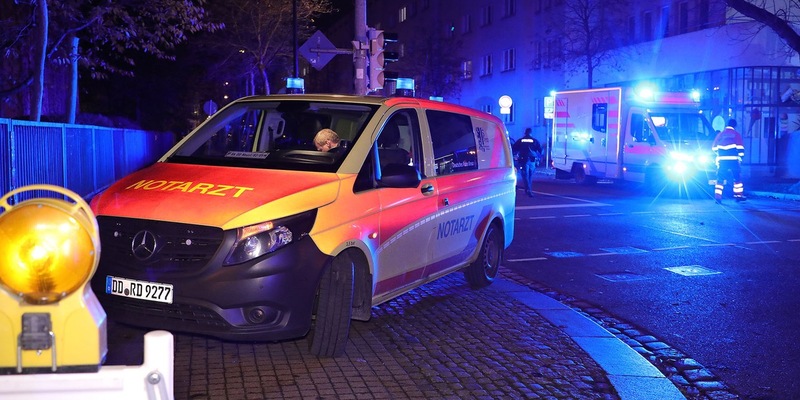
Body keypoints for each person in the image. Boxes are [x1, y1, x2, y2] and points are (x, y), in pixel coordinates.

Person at [711, 119, 746, 203]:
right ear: (735, 125)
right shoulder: (736, 134)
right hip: (733, 161)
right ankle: (738, 196)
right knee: (737, 178)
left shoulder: (720, 134)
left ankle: (718, 198)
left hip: (722, 161)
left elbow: (714, 148)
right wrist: (741, 157)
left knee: (720, 179)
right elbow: (740, 148)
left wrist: (720, 154)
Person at [512, 128, 541, 197]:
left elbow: (514, 149)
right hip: (532, 160)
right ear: (531, 133)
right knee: (530, 176)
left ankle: (528, 190)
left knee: (525, 176)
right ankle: (528, 190)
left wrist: (515, 156)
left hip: (523, 160)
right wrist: (539, 159)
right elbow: (540, 150)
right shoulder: (534, 140)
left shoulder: (520, 140)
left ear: (525, 133)